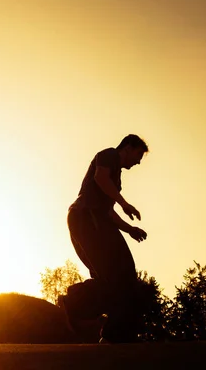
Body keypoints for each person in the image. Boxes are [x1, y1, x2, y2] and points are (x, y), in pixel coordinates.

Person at [60, 134, 149, 343]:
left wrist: (130, 229)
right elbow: (100, 178)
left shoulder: (115, 179)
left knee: (120, 275)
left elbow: (108, 212)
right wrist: (125, 203)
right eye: (138, 155)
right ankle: (74, 302)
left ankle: (112, 333)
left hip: (96, 220)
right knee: (117, 273)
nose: (138, 162)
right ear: (127, 147)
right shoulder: (108, 155)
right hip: (86, 218)